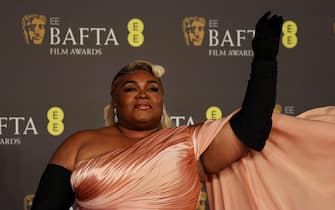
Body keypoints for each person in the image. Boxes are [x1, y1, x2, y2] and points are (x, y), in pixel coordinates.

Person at [31, 12, 335, 210]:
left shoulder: (189, 143)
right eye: (130, 88)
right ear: (114, 99)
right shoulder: (79, 143)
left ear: (162, 98)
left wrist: (265, 60)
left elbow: (252, 128)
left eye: (152, 87)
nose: (142, 94)